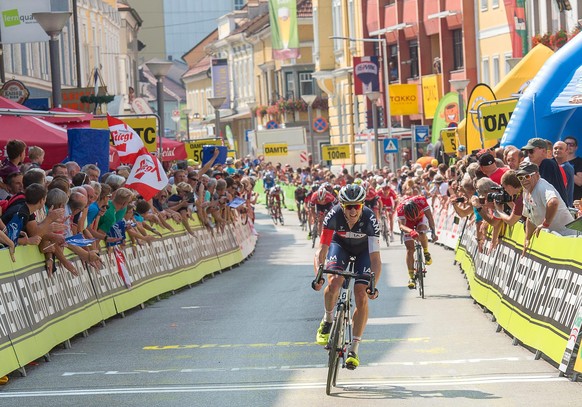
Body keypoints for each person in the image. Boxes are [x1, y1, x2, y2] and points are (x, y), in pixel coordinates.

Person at [313, 184, 381, 370]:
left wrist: (373, 284)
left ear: (362, 205)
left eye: (356, 206)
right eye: (348, 206)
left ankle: (354, 349)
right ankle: (328, 320)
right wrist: (319, 273)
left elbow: (375, 258)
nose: (352, 211)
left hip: (363, 252)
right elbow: (322, 249)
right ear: (341, 205)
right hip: (340, 246)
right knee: (334, 282)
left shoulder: (370, 219)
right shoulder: (333, 215)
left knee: (361, 294)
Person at [517, 162, 577, 255]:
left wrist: (545, 224)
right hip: (554, 239)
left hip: (568, 238)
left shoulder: (542, 186)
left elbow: (553, 202)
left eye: (527, 176)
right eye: (521, 178)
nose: (524, 180)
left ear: (537, 175)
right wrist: (527, 239)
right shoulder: (526, 191)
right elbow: (530, 218)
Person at [396, 195, 438, 289]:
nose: (413, 218)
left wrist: (434, 233)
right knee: (410, 250)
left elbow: (430, 217)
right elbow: (401, 226)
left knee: (422, 231)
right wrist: (411, 231)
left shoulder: (421, 201)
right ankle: (411, 277)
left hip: (421, 218)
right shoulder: (400, 209)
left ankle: (426, 252)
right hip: (408, 223)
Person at [521, 138, 568, 205]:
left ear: (543, 151)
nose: (529, 154)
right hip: (551, 209)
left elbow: (541, 190)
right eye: (527, 152)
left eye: (531, 151)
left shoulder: (547, 163)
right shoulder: (543, 165)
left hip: (555, 210)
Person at [553, 141, 575, 207]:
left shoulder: (565, 167)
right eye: (555, 148)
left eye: (560, 148)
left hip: (562, 207)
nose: (557, 150)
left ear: (566, 151)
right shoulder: (557, 166)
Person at [564, 136, 582, 201]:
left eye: (571, 145)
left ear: (576, 148)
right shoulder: (556, 161)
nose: (568, 146)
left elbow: (580, 182)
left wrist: (564, 167)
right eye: (566, 144)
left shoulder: (579, 161)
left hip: (575, 199)